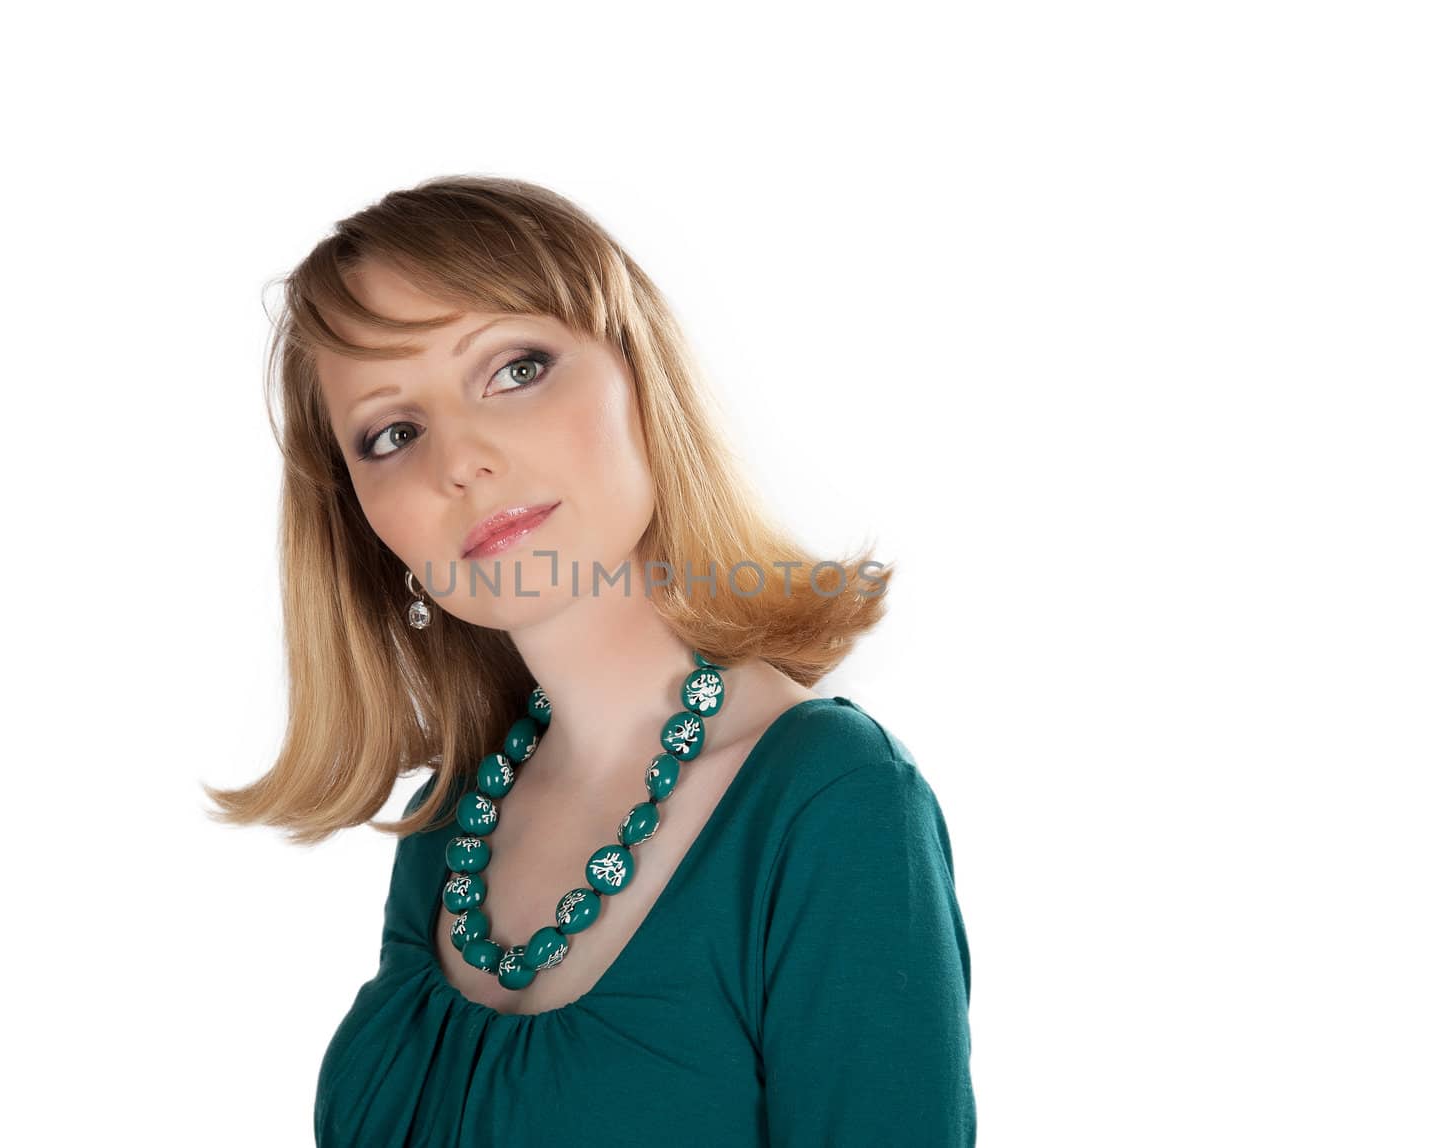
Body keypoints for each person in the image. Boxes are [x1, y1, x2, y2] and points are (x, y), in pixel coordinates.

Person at [204, 175, 976, 1146]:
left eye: (513, 368)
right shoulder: (457, 815)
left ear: (638, 376)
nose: (460, 458)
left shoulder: (833, 803)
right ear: (361, 521)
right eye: (393, 433)